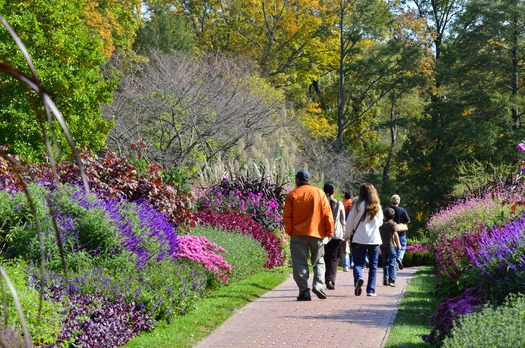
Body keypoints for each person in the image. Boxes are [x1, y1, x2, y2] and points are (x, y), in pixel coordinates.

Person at [283, 170, 334, 301]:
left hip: (298, 234)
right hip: (317, 233)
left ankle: (304, 291)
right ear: (309, 180)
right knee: (319, 261)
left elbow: (287, 217)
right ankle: (318, 285)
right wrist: (329, 232)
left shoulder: (292, 195)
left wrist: (290, 231)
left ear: (297, 180)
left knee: (300, 263)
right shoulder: (319, 193)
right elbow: (327, 215)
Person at [345, 183, 383, 297]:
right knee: (373, 266)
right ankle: (371, 290)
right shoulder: (377, 206)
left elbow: (350, 222)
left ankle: (358, 278)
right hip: (374, 240)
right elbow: (380, 223)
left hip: (359, 238)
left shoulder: (356, 205)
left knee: (357, 263)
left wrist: (347, 235)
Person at [322, 182, 346, 290]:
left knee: (325, 256)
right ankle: (330, 280)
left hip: (324, 234)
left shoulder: (321, 203)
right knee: (334, 257)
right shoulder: (339, 204)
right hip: (337, 234)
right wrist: (345, 235)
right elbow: (343, 220)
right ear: (334, 192)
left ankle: (324, 278)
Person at [379, 207, 401, 287]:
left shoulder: (381, 224)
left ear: (384, 216)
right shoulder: (393, 224)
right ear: (393, 216)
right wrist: (398, 244)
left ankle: (385, 278)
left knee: (385, 263)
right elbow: (395, 234)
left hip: (383, 246)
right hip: (391, 246)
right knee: (392, 263)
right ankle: (392, 280)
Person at [391, 194, 410, 270]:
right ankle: (400, 258)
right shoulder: (402, 210)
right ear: (399, 201)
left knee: (393, 248)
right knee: (402, 247)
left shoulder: (388, 210)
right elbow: (408, 220)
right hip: (401, 232)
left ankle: (395, 265)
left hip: (391, 232)